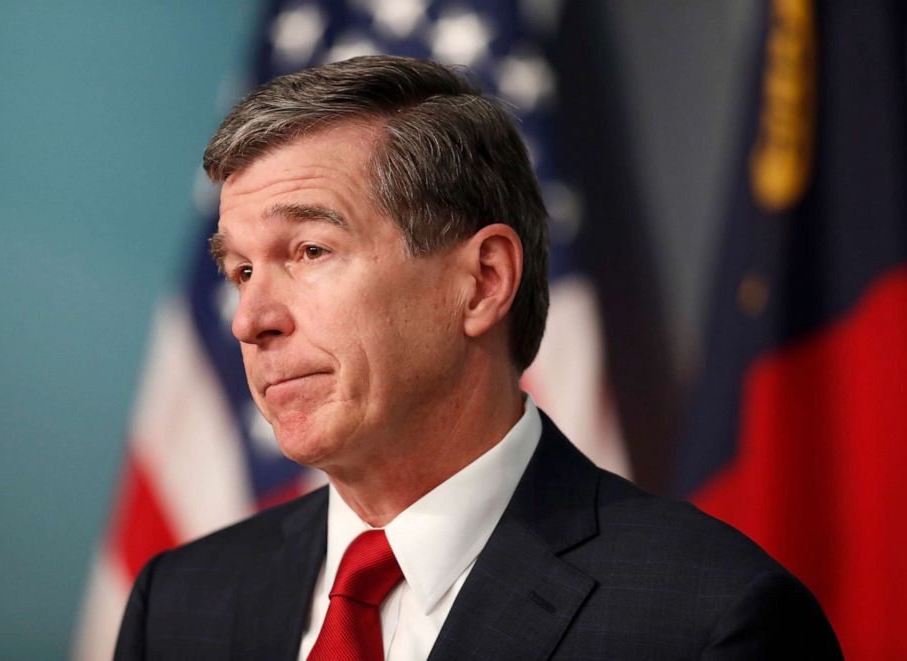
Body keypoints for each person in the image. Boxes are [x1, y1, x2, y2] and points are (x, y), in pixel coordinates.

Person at [115, 55, 841, 660]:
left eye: (309, 250)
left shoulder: (709, 621)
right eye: (240, 270)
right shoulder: (177, 608)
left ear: (483, 281)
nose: (250, 319)